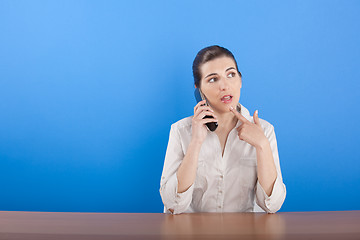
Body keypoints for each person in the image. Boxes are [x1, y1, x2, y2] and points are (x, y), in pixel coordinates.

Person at [159, 45, 286, 214]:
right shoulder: (181, 131)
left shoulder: (264, 130)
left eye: (231, 75)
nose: (224, 86)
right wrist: (195, 142)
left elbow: (272, 205)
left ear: (240, 80)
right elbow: (173, 205)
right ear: (199, 90)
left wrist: (262, 146)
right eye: (213, 79)